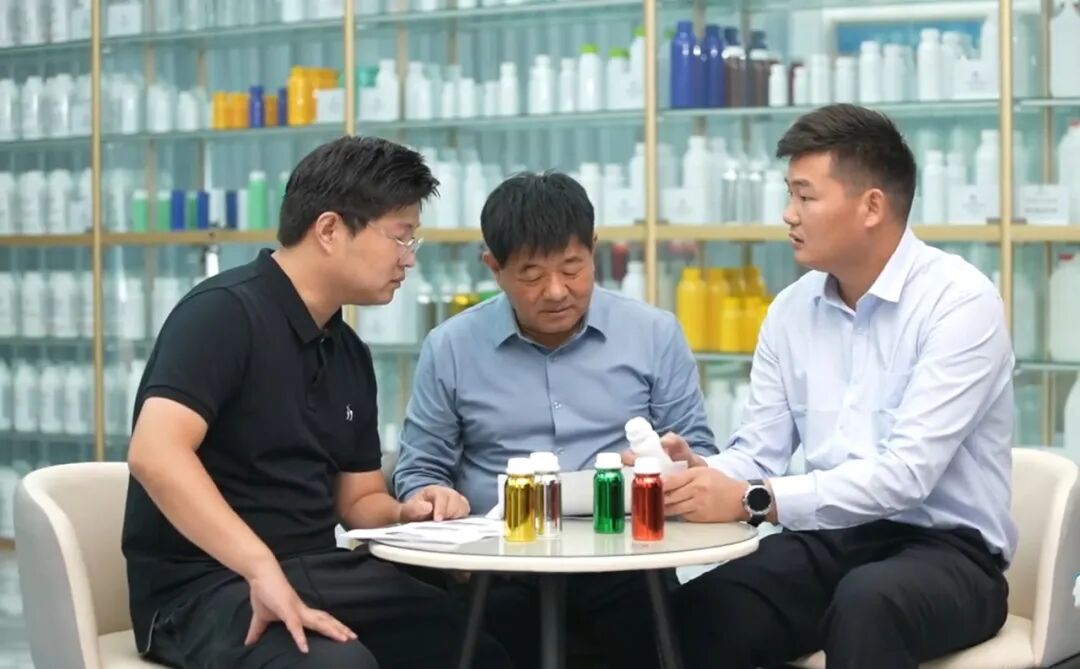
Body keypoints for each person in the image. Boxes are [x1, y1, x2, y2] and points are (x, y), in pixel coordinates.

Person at [634, 104, 1017, 669]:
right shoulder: (791, 310)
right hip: (832, 538)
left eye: (805, 196)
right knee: (699, 612)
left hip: (949, 553)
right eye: (789, 194)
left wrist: (752, 499)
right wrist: (699, 474)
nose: (788, 214)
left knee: (867, 604)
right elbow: (758, 453)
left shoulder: (959, 302)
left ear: (871, 206)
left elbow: (906, 476)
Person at [122, 136, 511, 669]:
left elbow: (359, 500)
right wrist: (259, 567)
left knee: (479, 642)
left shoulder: (348, 351)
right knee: (338, 665)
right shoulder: (222, 314)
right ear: (329, 229)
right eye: (400, 237)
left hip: (315, 570)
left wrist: (407, 511)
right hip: (207, 585)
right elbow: (155, 453)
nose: (408, 259)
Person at [392, 171, 717, 669]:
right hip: (499, 568)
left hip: (627, 562)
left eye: (572, 268)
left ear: (593, 250)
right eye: (531, 275)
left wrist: (680, 465)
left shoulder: (653, 334)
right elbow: (420, 469)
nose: (556, 291)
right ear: (494, 267)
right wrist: (430, 495)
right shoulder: (452, 347)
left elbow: (700, 456)